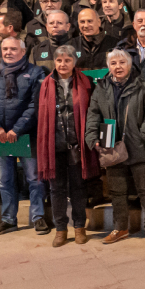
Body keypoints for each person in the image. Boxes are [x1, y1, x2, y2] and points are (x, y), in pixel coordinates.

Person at [83, 48, 145, 244]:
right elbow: (93, 114)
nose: (118, 67)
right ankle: (120, 227)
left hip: (139, 145)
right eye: (113, 63)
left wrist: (143, 135)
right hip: (111, 146)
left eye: (122, 63)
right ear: (108, 67)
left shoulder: (144, 84)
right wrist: (93, 139)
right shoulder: (101, 87)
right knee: (117, 191)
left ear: (129, 64)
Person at [0, 36, 48, 236]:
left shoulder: (36, 73)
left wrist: (17, 129)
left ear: (23, 52)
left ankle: (38, 217)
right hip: (0, 137)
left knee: (35, 179)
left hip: (26, 135)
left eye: (13, 49)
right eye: (5, 49)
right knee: (5, 180)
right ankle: (8, 219)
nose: (8, 52)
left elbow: (36, 104)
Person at [35, 45, 98, 247]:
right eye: (59, 60)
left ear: (74, 62)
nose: (63, 64)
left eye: (67, 60)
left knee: (78, 188)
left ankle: (79, 227)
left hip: (76, 145)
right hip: (54, 146)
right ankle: (60, 229)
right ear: (54, 62)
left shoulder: (86, 83)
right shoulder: (45, 84)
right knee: (57, 189)